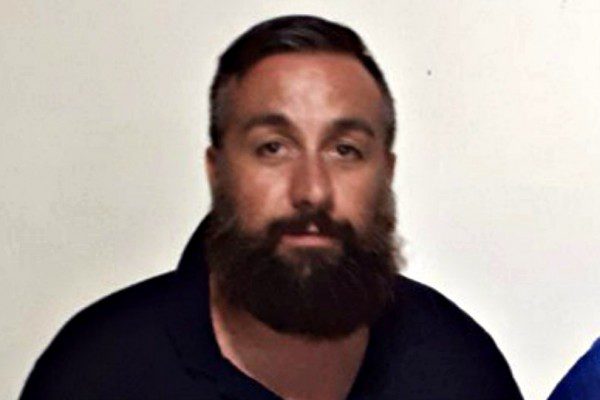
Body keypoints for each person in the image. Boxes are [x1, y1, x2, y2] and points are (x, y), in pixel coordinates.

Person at [20, 15, 523, 399]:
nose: (312, 190)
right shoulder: (98, 373)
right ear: (217, 169)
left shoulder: (459, 365)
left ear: (386, 172)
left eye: (345, 150)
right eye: (273, 148)